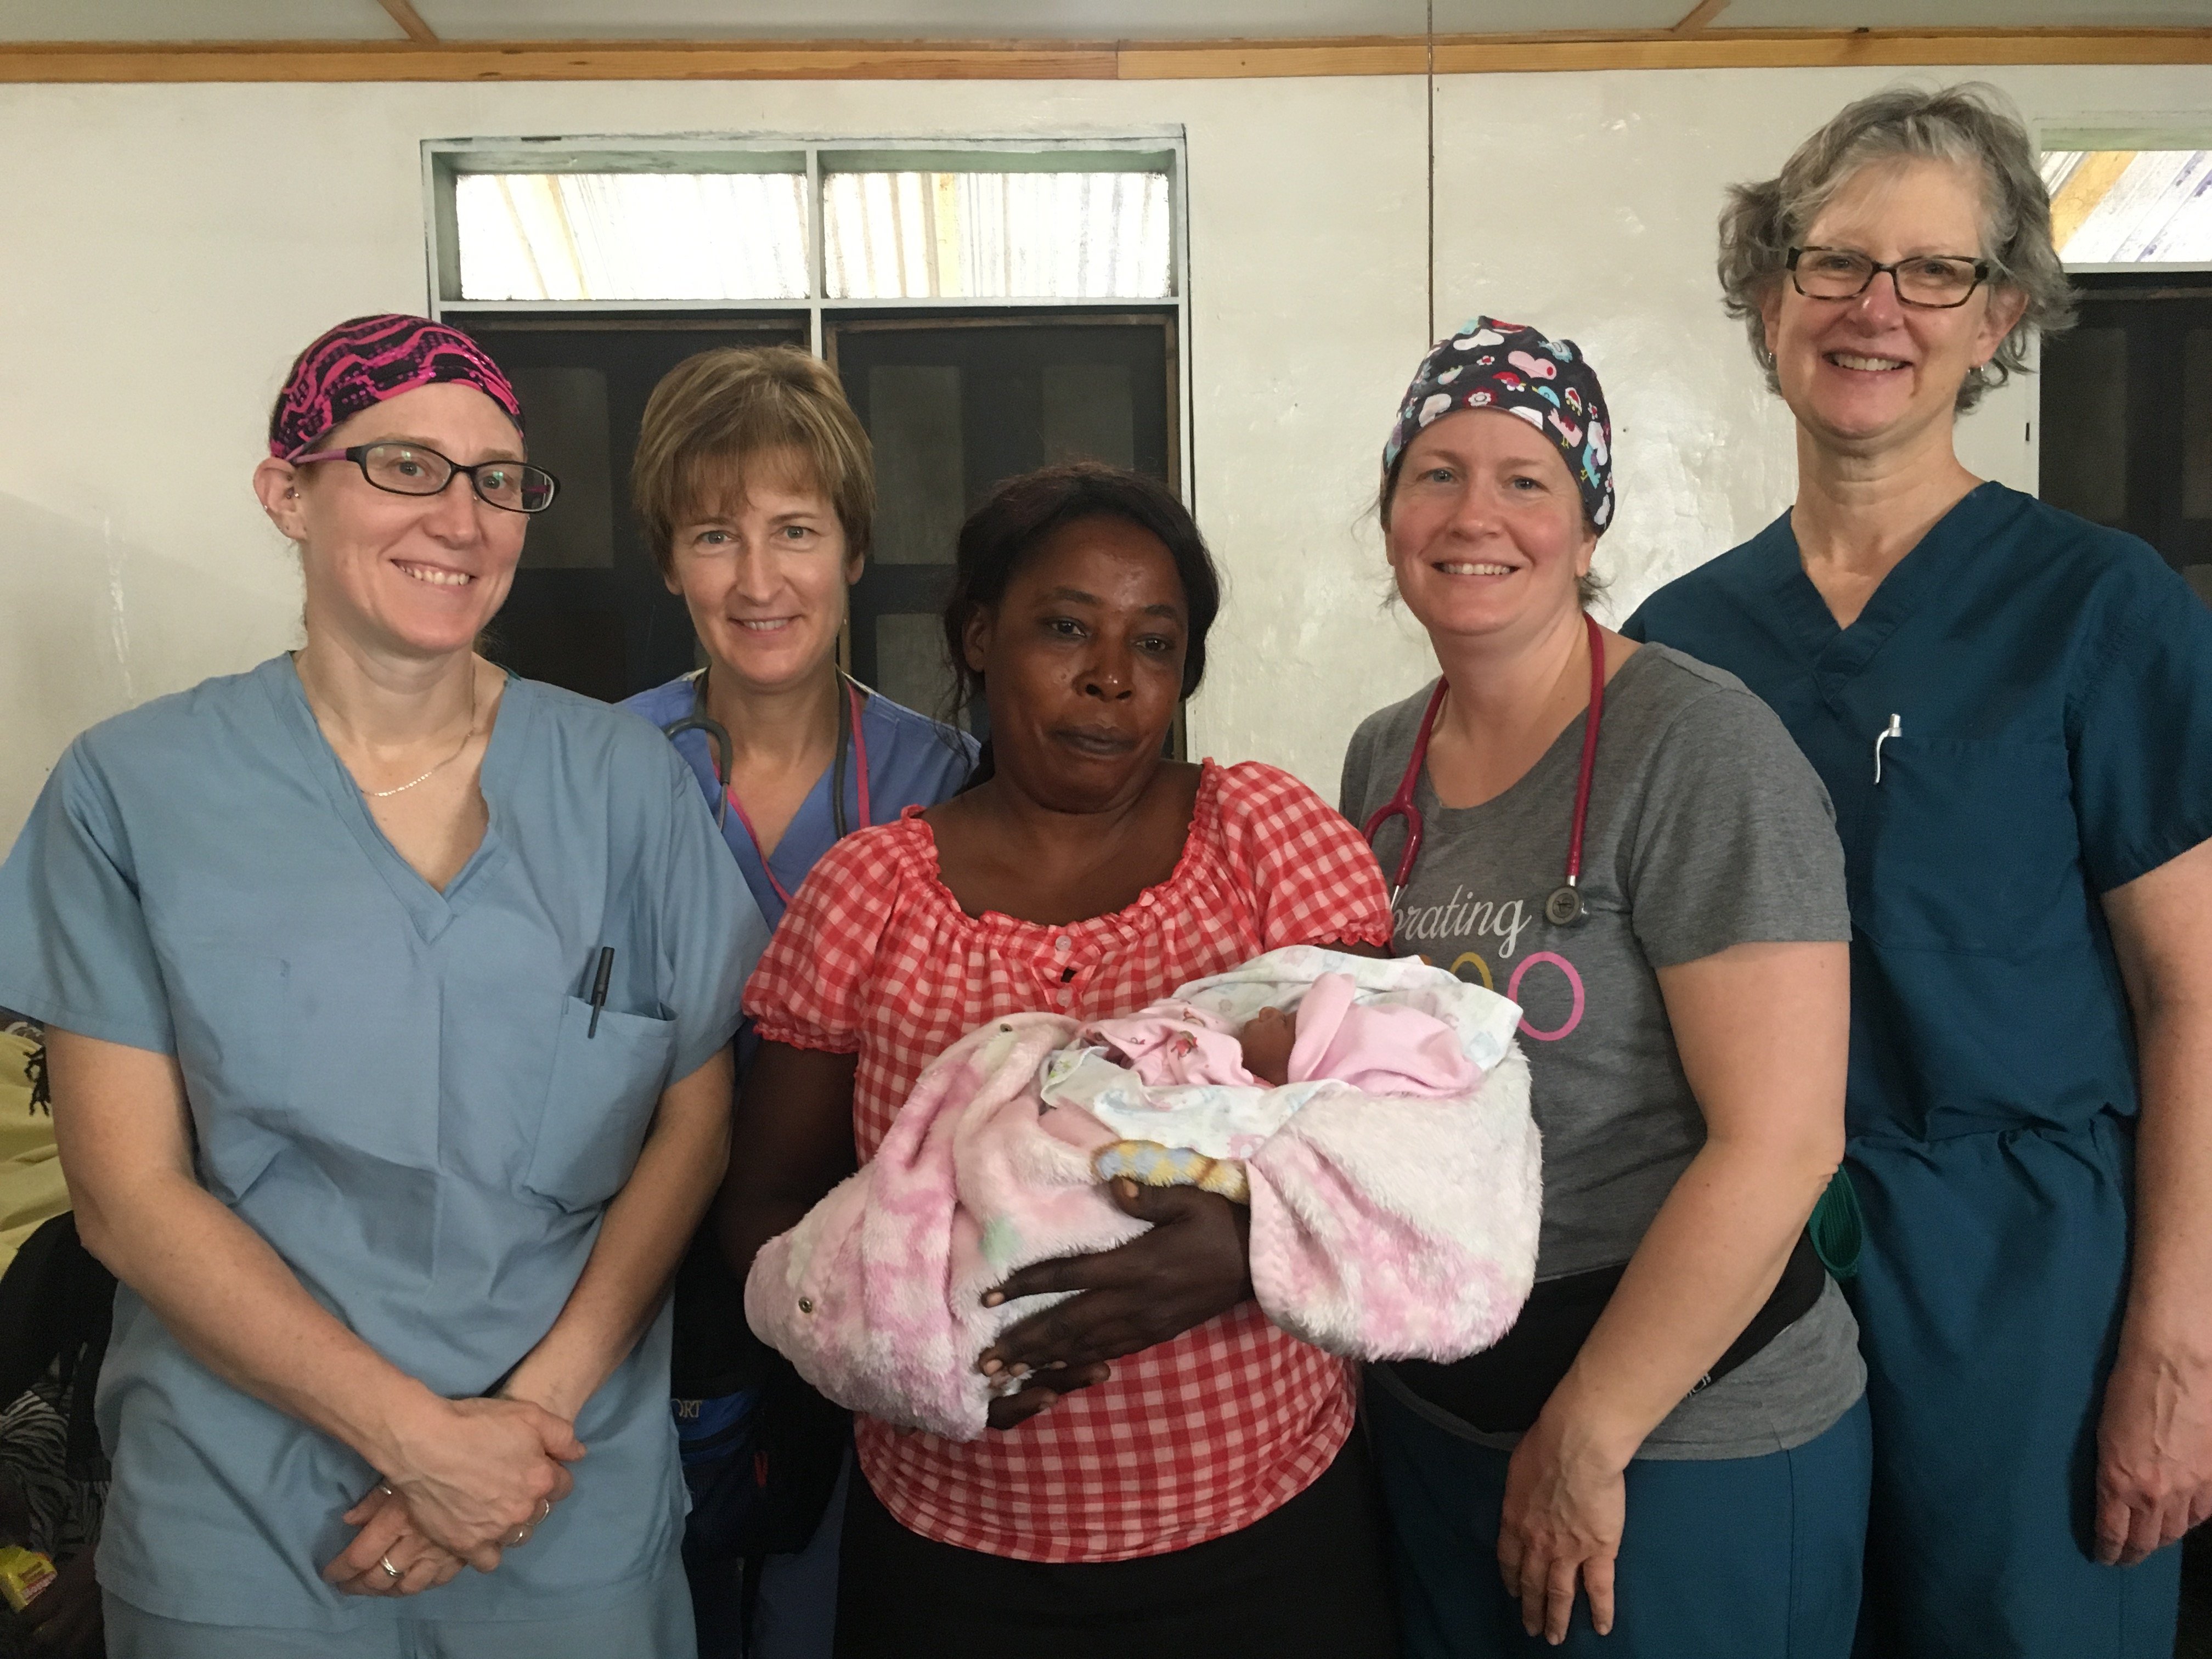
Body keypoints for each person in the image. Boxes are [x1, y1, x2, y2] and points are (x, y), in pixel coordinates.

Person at [0, 314, 765, 1657]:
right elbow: (127, 1200)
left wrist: (517, 1437)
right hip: (247, 1522)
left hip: (563, 1498)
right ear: (287, 492)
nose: (461, 519)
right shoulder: (133, 794)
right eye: (404, 465)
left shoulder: (628, 788)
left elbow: (695, 1119)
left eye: (496, 478)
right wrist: (418, 1442)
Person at [1624, 84, 2212, 1659]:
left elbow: (2194, 997)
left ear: (2000, 312)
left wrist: (2177, 1338)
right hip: (1746, 1262)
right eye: (1833, 262)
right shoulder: (1679, 645)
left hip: (2026, 1286)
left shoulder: (2103, 607)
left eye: (1934, 272)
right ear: (1769, 296)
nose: (1876, 307)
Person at [718, 463, 1402, 1656]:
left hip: (1267, 1539)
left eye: (1154, 643)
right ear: (980, 634)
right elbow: (769, 1210)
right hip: (952, 1562)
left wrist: (1249, 1255)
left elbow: (1407, 1143)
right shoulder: (870, 897)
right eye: (1065, 628)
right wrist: (895, 1355)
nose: (1109, 677)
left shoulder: (1266, 846)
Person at [1341, 318, 1870, 1656]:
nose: (1476, 515)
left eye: (1527, 480)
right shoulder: (1381, 760)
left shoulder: (1697, 748)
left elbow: (1785, 1142)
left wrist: (1587, 1437)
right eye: (1436, 473)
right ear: (1392, 511)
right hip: (1445, 1416)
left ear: (1588, 529)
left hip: (1680, 1442)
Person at [618, 347, 975, 1659]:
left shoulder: (950, 786)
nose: (758, 581)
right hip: (652, 1312)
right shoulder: (600, 774)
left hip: (878, 1306)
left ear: (854, 550)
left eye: (795, 532)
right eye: (716, 535)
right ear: (670, 560)